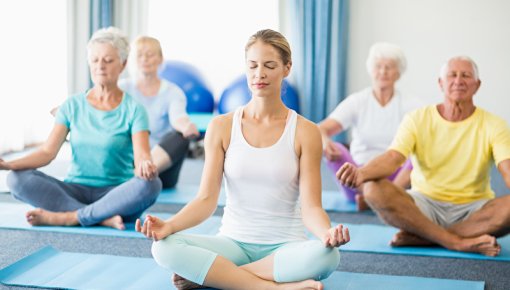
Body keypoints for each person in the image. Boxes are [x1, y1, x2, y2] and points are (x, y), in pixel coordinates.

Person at [137, 29, 350, 290]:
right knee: (164, 248)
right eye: (253, 65)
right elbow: (205, 200)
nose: (259, 73)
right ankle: (273, 288)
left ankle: (220, 277)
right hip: (233, 243)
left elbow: (312, 208)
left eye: (269, 65)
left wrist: (326, 234)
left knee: (327, 256)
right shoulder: (222, 126)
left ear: (287, 68)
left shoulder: (306, 131)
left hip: (285, 247)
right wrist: (169, 225)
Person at [337, 56, 510, 256]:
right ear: (440, 83)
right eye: (452, 75)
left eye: (466, 75)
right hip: (423, 206)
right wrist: (361, 173)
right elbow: (394, 157)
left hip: (474, 211)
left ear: (477, 85)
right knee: (372, 188)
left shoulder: (494, 124)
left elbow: (506, 168)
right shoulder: (417, 118)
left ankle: (424, 236)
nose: (458, 80)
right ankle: (455, 241)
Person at [0, 27, 162, 230]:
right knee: (16, 178)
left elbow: (142, 156)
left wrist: (145, 166)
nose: (100, 66)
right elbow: (47, 152)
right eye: (95, 60)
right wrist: (9, 164)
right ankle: (99, 217)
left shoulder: (135, 110)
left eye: (108, 60)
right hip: (74, 190)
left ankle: (68, 217)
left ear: (123, 64)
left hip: (116, 194)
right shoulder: (71, 105)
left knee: (151, 184)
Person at [318, 42, 422, 210]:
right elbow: (320, 129)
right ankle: (377, 198)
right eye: (378, 66)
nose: (383, 72)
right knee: (335, 147)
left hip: (395, 178)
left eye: (389, 67)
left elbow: (429, 132)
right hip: (357, 178)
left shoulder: (411, 104)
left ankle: (377, 198)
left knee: (420, 153)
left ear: (398, 73)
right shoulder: (357, 101)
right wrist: (325, 143)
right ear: (371, 70)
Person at [119, 36, 199, 189]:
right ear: (132, 60)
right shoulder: (122, 88)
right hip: (129, 162)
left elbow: (178, 118)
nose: (145, 59)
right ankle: (134, 177)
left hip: (161, 172)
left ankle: (135, 178)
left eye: (150, 54)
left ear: (160, 59)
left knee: (180, 137)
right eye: (140, 55)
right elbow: (95, 101)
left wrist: (186, 127)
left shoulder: (173, 92)